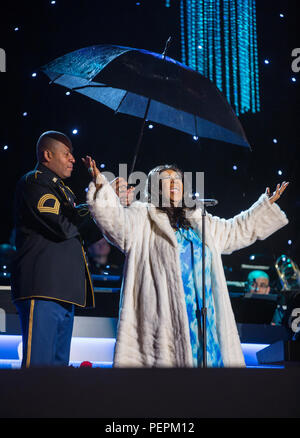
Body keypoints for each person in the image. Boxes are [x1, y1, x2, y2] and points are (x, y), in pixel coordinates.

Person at [84, 157, 289, 367]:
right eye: (166, 179)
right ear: (155, 187)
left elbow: (236, 230)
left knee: (209, 387)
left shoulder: (200, 221)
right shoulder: (141, 218)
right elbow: (115, 222)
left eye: (178, 179)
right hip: (164, 323)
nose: (174, 182)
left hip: (204, 322)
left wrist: (264, 206)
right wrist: (102, 187)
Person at [10, 131, 101, 367]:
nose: (73, 159)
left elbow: (85, 235)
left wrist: (108, 201)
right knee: (38, 370)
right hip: (43, 288)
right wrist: (97, 202)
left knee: (57, 376)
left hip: (63, 291)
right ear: (47, 154)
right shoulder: (35, 181)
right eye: (67, 153)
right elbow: (62, 226)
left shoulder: (65, 192)